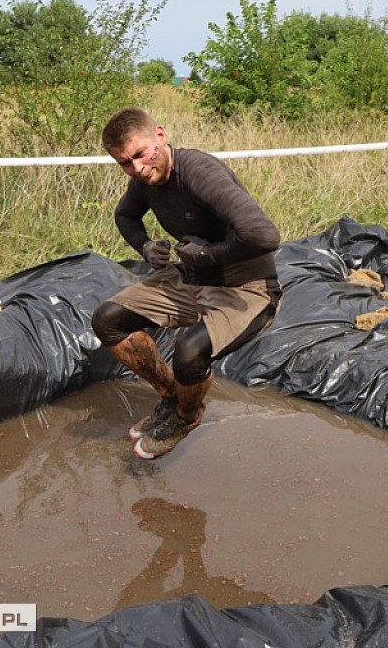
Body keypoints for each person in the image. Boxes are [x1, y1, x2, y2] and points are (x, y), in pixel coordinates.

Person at [92, 108, 281, 458]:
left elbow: (264, 235)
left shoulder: (199, 172)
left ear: (160, 136)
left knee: (189, 352)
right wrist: (145, 247)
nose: (137, 168)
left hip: (247, 287)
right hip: (193, 277)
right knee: (107, 320)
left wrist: (207, 255)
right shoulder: (144, 183)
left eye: (139, 154)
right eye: (124, 163)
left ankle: (186, 415)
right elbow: (125, 216)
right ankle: (171, 397)